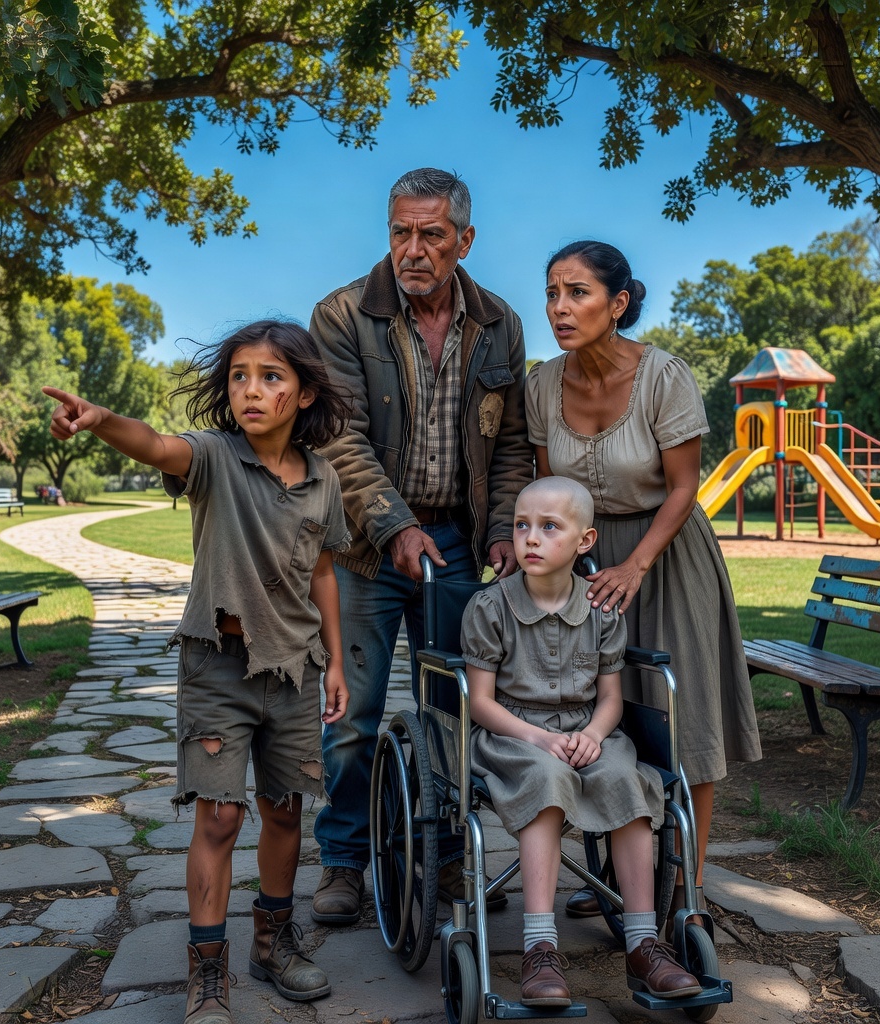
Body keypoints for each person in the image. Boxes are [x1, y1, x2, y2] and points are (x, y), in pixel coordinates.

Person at [42, 319, 353, 1024]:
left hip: (297, 672)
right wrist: (99, 421)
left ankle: (271, 943)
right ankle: (206, 970)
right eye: (240, 375)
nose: (252, 389)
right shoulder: (212, 457)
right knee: (218, 816)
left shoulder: (324, 477)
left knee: (284, 810)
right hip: (218, 666)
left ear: (303, 393)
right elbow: (155, 442)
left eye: (272, 377)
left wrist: (334, 662)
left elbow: (326, 572)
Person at [308, 167, 533, 924]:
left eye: (431, 235)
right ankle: (343, 862)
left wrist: (502, 530)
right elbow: (339, 441)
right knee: (353, 713)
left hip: (461, 544)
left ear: (464, 241)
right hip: (367, 546)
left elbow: (511, 448)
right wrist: (393, 525)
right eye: (400, 231)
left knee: (452, 710)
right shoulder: (340, 315)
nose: (413, 249)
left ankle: (444, 859)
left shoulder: (499, 323)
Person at [525, 240, 761, 929]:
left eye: (577, 293)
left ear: (618, 303)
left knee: (681, 726)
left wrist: (636, 565)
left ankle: (684, 891)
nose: (560, 309)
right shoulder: (542, 384)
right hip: (586, 561)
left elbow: (684, 486)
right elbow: (551, 489)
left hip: (666, 554)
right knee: (599, 716)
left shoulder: (665, 375)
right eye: (551, 293)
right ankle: (614, 880)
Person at [463, 477, 702, 1006]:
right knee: (547, 779)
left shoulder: (600, 611)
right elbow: (480, 702)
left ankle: (643, 943)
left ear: (584, 541)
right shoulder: (490, 607)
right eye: (522, 525)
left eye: (550, 527)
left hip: (588, 729)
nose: (530, 538)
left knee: (626, 778)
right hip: (513, 733)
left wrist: (594, 734)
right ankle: (539, 948)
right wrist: (540, 739)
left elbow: (611, 699)